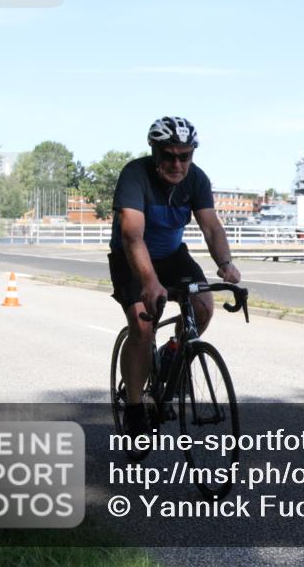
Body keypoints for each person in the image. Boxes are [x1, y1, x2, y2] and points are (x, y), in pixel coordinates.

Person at [108, 116, 241, 437]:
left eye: (185, 155)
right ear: (155, 152)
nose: (177, 163)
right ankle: (136, 406)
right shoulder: (134, 175)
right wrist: (150, 282)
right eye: (169, 155)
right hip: (132, 258)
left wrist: (225, 263)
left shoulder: (196, 180)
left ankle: (172, 356)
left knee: (204, 306)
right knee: (142, 326)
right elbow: (132, 236)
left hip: (171, 255)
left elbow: (211, 226)